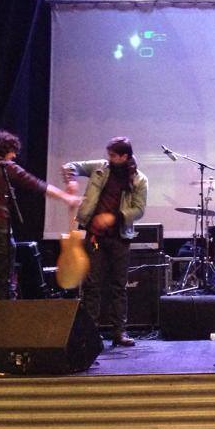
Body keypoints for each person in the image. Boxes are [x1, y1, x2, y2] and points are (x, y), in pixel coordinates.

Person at [0, 129, 81, 352]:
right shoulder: (5, 168)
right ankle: (3, 339)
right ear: (7, 150)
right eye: (13, 153)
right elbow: (36, 184)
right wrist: (66, 198)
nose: (14, 157)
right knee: (4, 285)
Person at [62, 137, 148, 347]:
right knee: (92, 286)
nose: (109, 158)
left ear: (124, 156)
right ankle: (90, 333)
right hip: (95, 236)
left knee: (118, 286)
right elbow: (70, 166)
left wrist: (114, 217)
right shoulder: (100, 168)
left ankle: (119, 332)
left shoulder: (139, 179)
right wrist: (71, 179)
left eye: (113, 155)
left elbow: (139, 210)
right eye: (108, 154)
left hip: (119, 237)